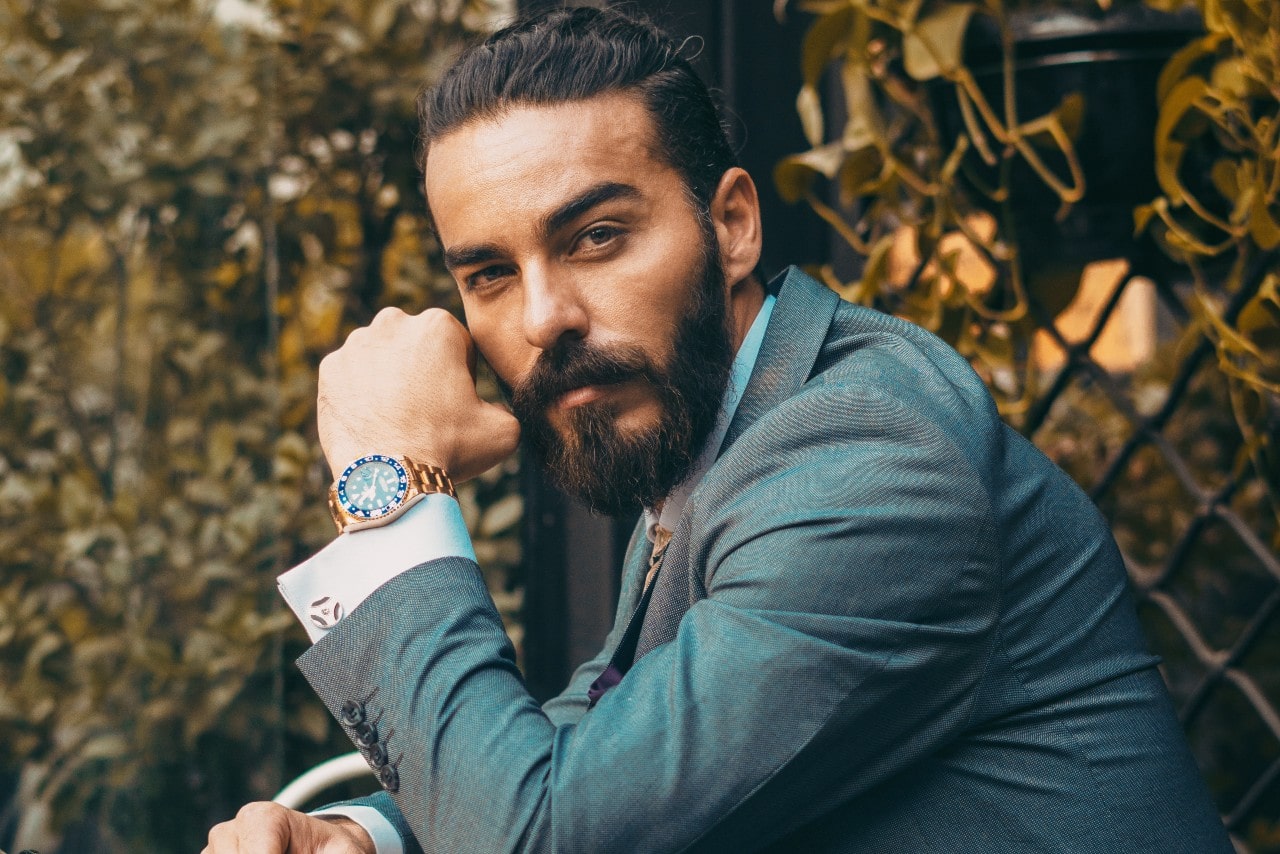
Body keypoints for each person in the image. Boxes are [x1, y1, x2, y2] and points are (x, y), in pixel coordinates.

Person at [204, 7, 1233, 853]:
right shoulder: (719, 437)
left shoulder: (865, 461)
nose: (542, 317)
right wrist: (366, 835)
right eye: (488, 274)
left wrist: (389, 489)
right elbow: (607, 740)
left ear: (731, 224)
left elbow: (544, 838)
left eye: (596, 236)